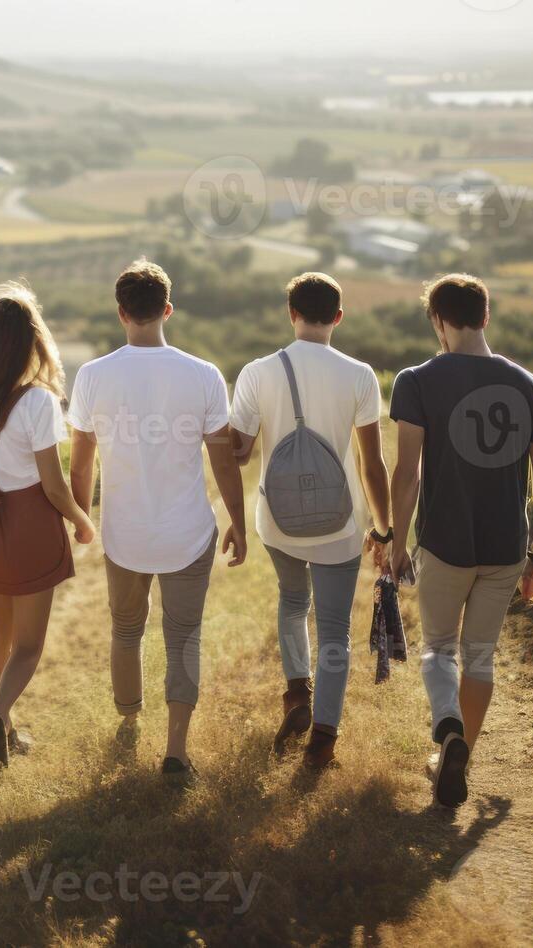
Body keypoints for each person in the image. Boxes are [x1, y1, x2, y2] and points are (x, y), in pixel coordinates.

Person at [67, 258, 248, 782]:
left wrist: (80, 519)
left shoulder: (93, 376)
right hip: (188, 533)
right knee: (184, 636)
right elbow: (222, 459)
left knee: (126, 630)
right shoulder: (204, 374)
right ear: (167, 309)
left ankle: (128, 720)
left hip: (124, 534)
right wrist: (236, 519)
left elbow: (81, 462)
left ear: (121, 312)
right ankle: (175, 751)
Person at [387, 273, 533, 808]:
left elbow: (408, 473)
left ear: (438, 321)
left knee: (438, 649)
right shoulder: (530, 386)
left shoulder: (416, 381)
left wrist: (396, 544)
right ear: (486, 317)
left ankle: (448, 732)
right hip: (507, 546)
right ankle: (458, 757)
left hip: (444, 542)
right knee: (479, 657)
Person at [229, 272, 393, 771]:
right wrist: (384, 530)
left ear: (291, 314)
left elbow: (237, 453)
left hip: (278, 521)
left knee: (292, 601)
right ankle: (323, 739)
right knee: (336, 631)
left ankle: (297, 691)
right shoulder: (360, 374)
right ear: (338, 318)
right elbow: (371, 464)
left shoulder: (257, 372)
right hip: (340, 526)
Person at [0, 285, 96, 777]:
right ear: (31, 343)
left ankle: (5, 728)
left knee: (0, 636)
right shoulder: (38, 402)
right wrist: (81, 519)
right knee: (29, 645)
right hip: (29, 524)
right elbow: (53, 486)